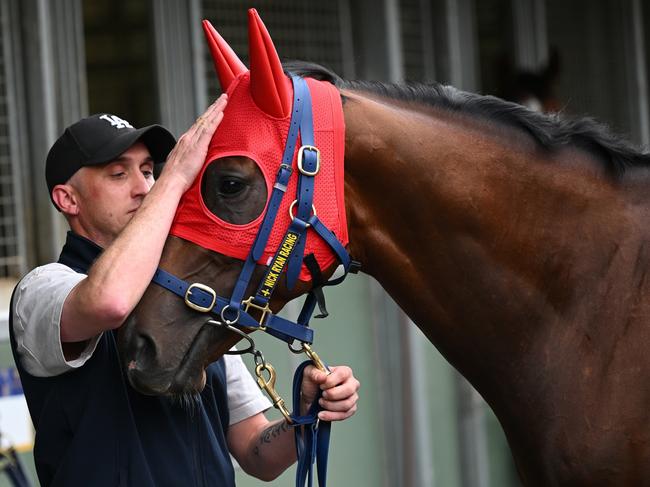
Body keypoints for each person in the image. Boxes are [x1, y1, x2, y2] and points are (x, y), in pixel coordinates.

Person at [9, 96, 360, 486]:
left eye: (148, 171)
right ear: (67, 199)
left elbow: (257, 455)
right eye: (118, 174)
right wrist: (175, 180)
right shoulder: (42, 289)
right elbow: (110, 302)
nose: (144, 188)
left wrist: (307, 415)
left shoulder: (191, 294)